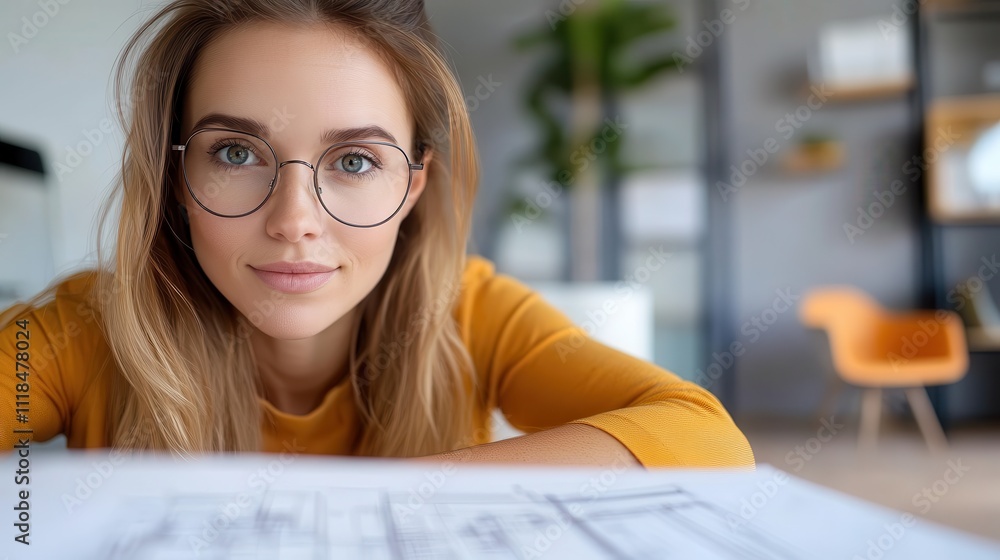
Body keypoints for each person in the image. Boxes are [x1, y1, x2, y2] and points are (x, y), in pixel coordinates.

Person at [0, 0, 753, 468]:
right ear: (174, 177)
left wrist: (385, 497)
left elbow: (705, 437)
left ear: (412, 186)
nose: (294, 220)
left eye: (355, 161)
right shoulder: (82, 331)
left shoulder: (472, 314)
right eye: (234, 153)